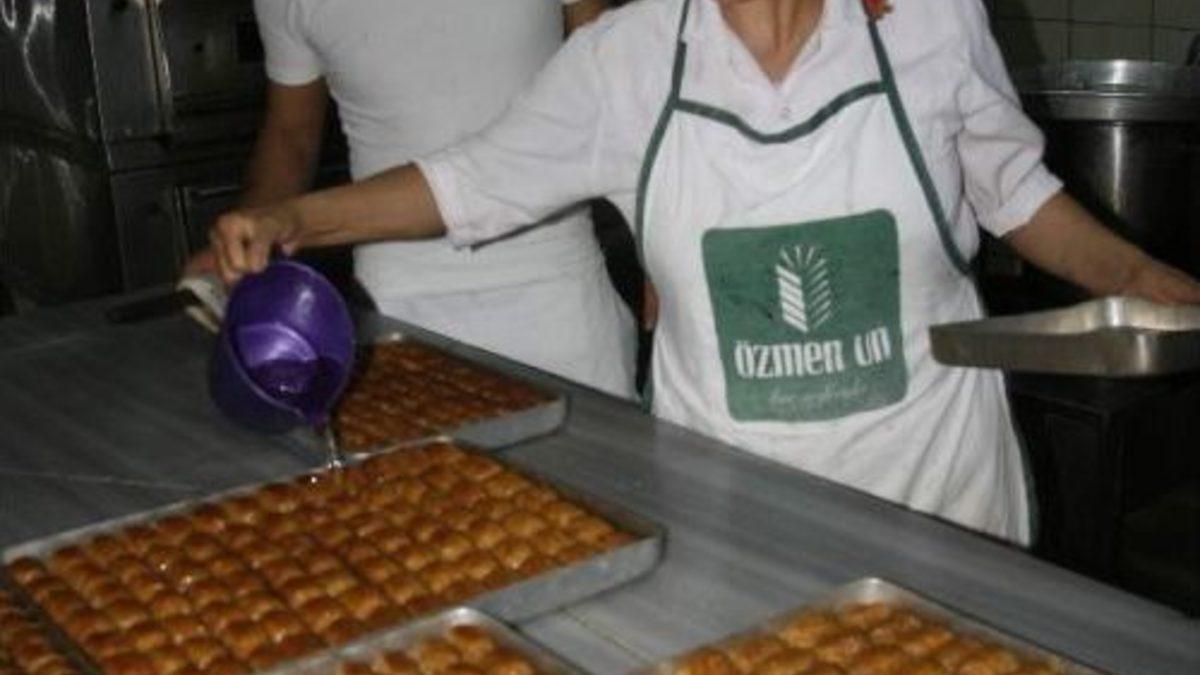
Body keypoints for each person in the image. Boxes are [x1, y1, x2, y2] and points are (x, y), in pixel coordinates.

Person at [208, 0, 1200, 545]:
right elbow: (474, 180)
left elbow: (1015, 191)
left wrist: (1134, 270)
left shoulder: (931, 23)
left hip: (940, 498)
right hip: (736, 516)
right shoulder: (629, 59)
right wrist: (298, 218)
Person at [190, 0, 636, 398]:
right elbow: (291, 135)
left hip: (560, 294)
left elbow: (618, 90)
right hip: (397, 309)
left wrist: (657, 247)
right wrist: (247, 237)